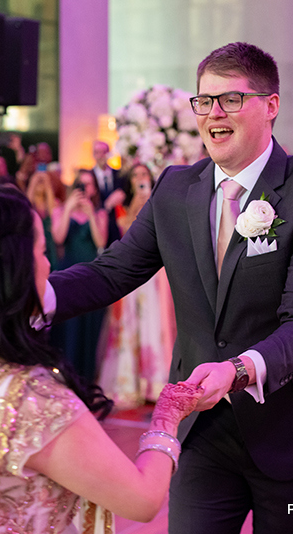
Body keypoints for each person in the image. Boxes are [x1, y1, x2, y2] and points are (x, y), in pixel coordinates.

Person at [46, 42, 293, 534]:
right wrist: (28, 298)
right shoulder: (176, 188)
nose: (214, 113)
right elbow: (112, 271)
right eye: (204, 100)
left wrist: (239, 370)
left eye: (231, 99)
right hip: (204, 422)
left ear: (271, 105)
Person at [0, 186, 203, 532]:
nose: (48, 263)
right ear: (16, 272)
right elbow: (142, 499)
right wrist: (168, 416)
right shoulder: (32, 403)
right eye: (41, 250)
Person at [98, 164, 177, 409]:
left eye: (143, 175)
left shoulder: (161, 201)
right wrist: (136, 206)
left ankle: (155, 381)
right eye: (135, 175)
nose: (140, 179)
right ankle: (130, 382)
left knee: (155, 322)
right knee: (131, 323)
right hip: (134, 271)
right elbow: (126, 233)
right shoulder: (123, 207)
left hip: (157, 274)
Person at [51, 169, 109, 381]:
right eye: (81, 184)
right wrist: (68, 208)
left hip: (91, 274)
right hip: (67, 271)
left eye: (89, 184)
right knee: (69, 325)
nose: (86, 189)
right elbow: (58, 237)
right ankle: (65, 372)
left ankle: (86, 375)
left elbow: (101, 242)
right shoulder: (60, 210)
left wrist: (90, 213)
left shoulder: (100, 213)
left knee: (89, 324)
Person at [26, 170, 60, 269]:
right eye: (38, 183)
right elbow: (26, 206)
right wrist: (34, 181)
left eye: (42, 183)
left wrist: (47, 182)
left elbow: (53, 212)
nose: (40, 184)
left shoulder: (53, 204)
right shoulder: (30, 205)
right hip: (34, 242)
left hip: (50, 243)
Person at [91, 140, 126, 212]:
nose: (101, 156)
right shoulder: (89, 176)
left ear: (108, 154)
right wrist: (107, 204)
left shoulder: (119, 175)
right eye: (97, 152)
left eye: (104, 152)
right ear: (93, 155)